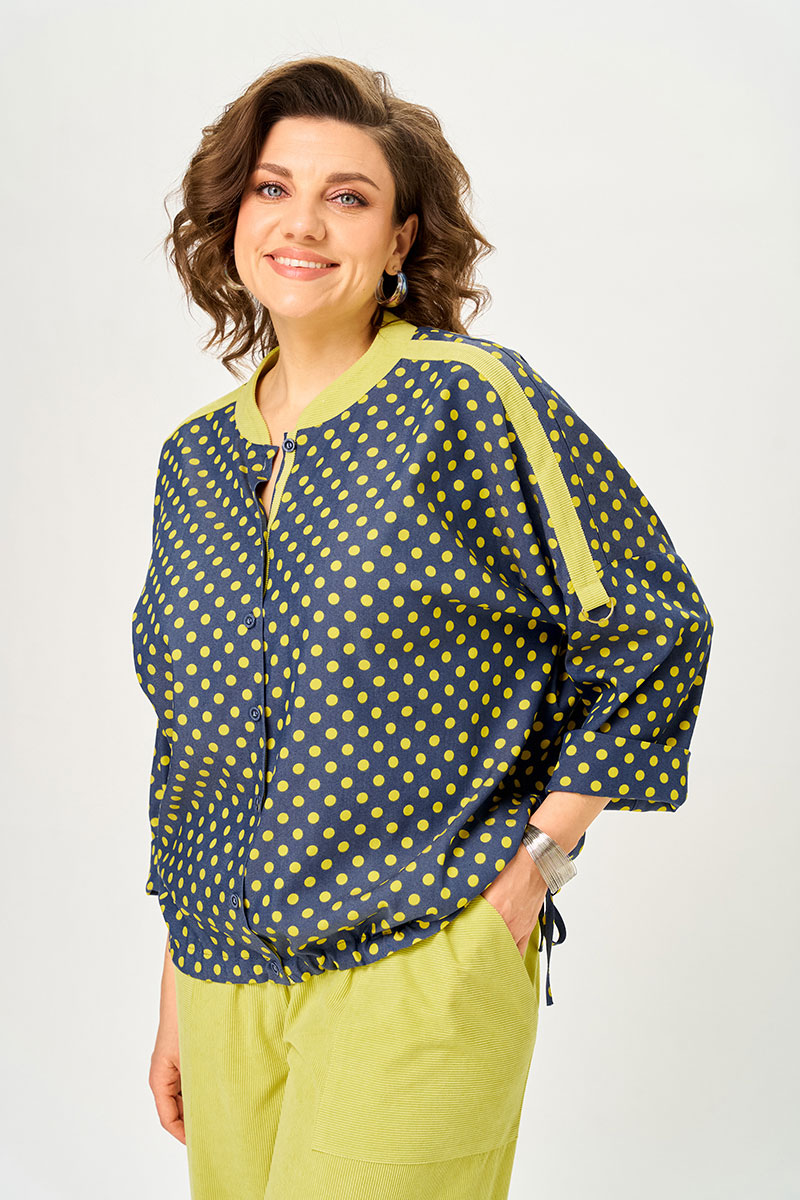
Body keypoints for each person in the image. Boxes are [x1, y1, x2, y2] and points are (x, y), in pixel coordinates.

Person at [132, 54, 714, 1200]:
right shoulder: (191, 459)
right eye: (272, 188)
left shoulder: (466, 397)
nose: (302, 222)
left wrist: (535, 865)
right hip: (219, 974)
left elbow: (654, 624)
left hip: (419, 949)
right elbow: (197, 748)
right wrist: (174, 987)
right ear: (232, 215)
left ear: (399, 238)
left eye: (346, 196)